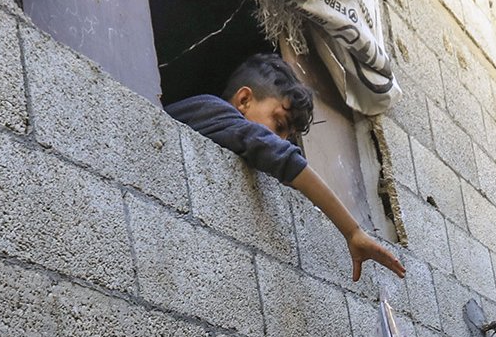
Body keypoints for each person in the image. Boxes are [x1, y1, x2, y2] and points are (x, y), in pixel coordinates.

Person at [167, 53, 404, 281]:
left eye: (287, 136)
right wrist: (352, 232)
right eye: (279, 124)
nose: (279, 140)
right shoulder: (211, 110)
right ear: (244, 100)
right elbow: (281, 156)